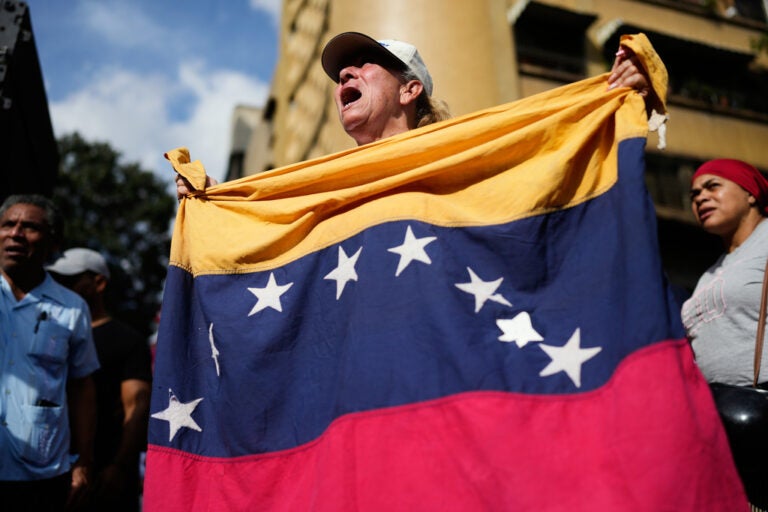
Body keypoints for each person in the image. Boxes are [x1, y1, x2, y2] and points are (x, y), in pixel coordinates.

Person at [176, 31, 653, 196]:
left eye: (364, 65)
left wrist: (615, 98)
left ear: (410, 90)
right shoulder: (324, 183)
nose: (345, 76)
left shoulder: (467, 158)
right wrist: (225, 205)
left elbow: (552, 164)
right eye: (340, 73)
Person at [0, 194, 99, 511]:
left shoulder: (72, 309)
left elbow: (82, 387)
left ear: (52, 242)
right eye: (7, 225)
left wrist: (83, 463)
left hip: (42, 474)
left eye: (29, 227)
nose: (15, 234)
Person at [47, 248, 152, 512]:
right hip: (50, 469)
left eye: (72, 279)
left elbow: (136, 408)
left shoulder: (127, 340)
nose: (62, 286)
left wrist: (119, 466)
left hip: (106, 474)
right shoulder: (50, 334)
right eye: (57, 279)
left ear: (99, 283)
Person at [682, 158, 768, 385]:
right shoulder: (710, 274)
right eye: (694, 195)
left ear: (750, 194)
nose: (700, 198)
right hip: (718, 409)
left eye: (713, 186)